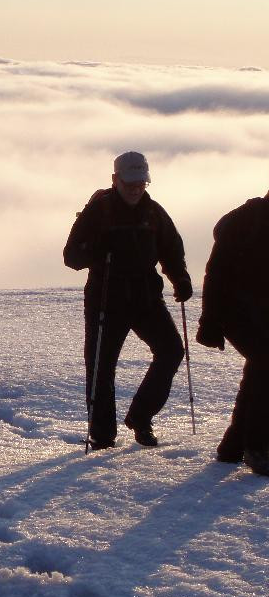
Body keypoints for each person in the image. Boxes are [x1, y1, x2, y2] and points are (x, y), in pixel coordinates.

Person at [63, 151, 192, 449]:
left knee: (171, 351)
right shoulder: (98, 211)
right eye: (130, 182)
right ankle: (103, 434)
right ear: (115, 179)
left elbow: (172, 249)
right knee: (101, 366)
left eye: (141, 183)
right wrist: (97, 248)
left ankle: (140, 417)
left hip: (146, 295)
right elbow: (71, 256)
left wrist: (181, 279)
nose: (136, 188)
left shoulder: (154, 213)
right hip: (106, 298)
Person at [196, 189, 269, 476]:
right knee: (265, 364)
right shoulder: (245, 223)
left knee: (260, 369)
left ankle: (233, 446)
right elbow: (215, 275)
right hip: (234, 313)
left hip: (260, 316)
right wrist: (210, 324)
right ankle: (257, 446)